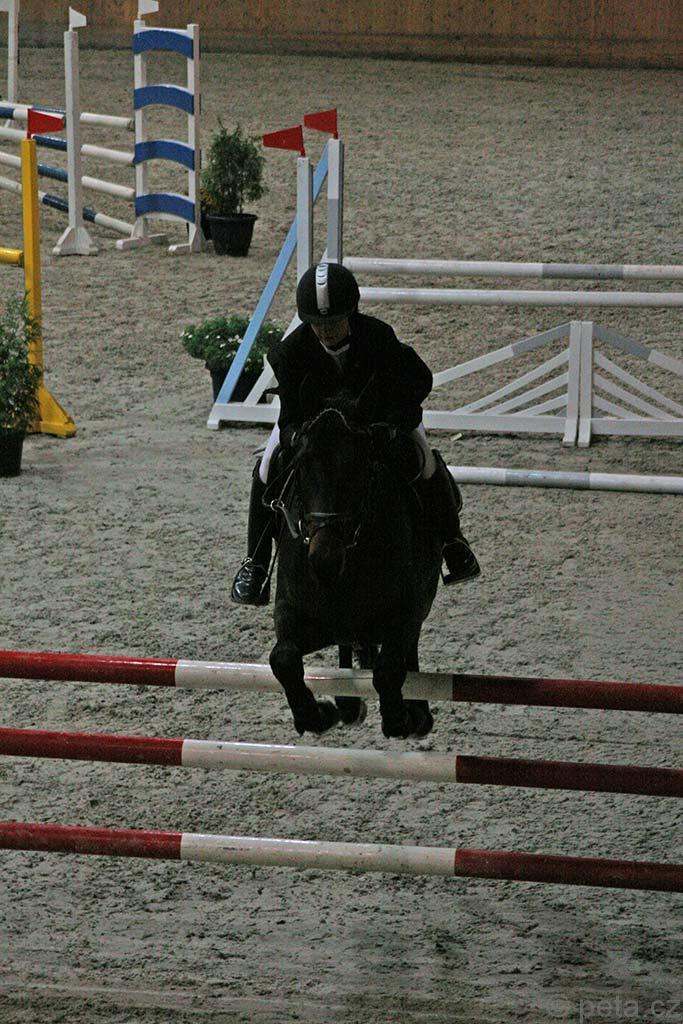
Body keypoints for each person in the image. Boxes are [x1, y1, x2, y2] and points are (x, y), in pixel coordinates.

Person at [230, 262, 480, 605]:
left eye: (333, 322)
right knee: (267, 465)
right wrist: (295, 437)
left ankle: (453, 544)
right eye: (318, 324)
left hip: (379, 420)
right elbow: (289, 416)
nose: (326, 331)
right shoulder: (291, 352)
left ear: (351, 312)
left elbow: (419, 381)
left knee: (424, 460)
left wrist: (392, 424)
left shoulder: (378, 337)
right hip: (312, 426)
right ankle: (255, 564)